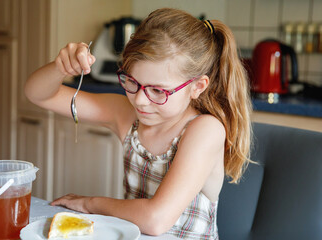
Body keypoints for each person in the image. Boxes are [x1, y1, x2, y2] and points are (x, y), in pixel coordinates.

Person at [25, 8, 252, 239]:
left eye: (157, 90)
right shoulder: (127, 115)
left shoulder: (204, 130)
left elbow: (156, 220)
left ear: (197, 87)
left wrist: (89, 203)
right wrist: (60, 67)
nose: (141, 101)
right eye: (132, 81)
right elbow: (38, 95)